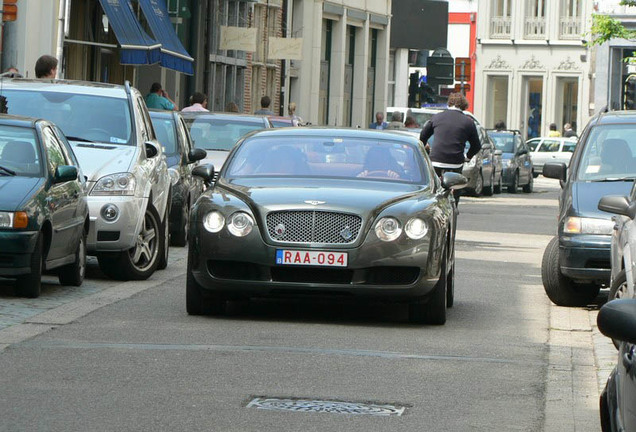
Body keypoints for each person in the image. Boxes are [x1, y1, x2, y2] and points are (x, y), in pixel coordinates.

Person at [419, 92, 481, 204]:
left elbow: (423, 136)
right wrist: (467, 156)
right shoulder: (468, 122)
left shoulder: (437, 117)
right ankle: (454, 203)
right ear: (464, 105)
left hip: (436, 160)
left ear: (449, 103)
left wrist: (425, 148)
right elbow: (476, 146)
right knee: (456, 187)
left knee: (434, 188)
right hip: (455, 161)